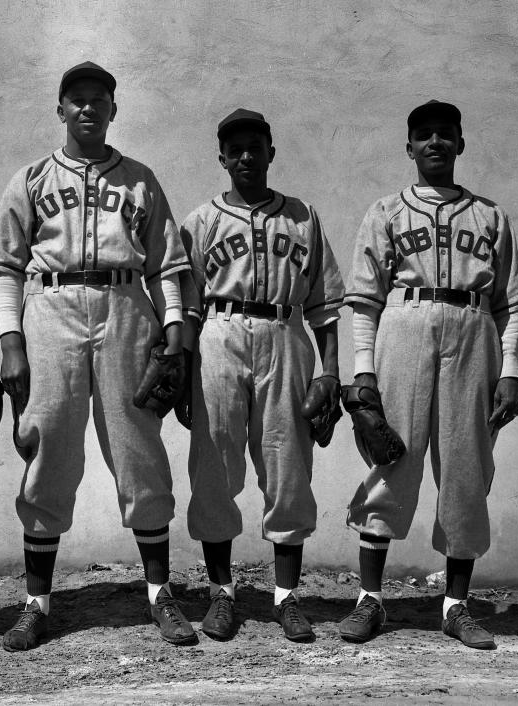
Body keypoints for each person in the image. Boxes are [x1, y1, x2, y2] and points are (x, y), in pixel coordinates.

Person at [0, 62, 194, 651]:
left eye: (97, 100)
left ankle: (159, 594)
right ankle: (36, 603)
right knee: (48, 442)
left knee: (138, 447)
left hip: (127, 303)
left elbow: (166, 262)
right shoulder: (29, 179)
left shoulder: (140, 179)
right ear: (60, 109)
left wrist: (174, 325)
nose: (86, 108)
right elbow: (4, 267)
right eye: (76, 99)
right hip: (50, 306)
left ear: (112, 110)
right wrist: (11, 341)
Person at [339, 100, 518, 649]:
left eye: (445, 134)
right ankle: (370, 601)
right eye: (423, 135)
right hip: (404, 324)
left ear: (460, 144)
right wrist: (364, 375)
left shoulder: (491, 216)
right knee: (391, 457)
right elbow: (365, 302)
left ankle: (455, 606)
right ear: (409, 147)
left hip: (473, 328)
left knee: (466, 468)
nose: (435, 143)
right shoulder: (385, 212)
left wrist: (511, 371)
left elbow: (509, 304)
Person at [178, 109, 345, 642]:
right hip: (218, 335)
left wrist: (332, 373)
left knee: (288, 465)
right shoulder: (200, 221)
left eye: (256, 146)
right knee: (214, 465)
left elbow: (324, 305)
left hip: (283, 332)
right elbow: (183, 307)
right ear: (221, 157)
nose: (246, 156)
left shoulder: (303, 217)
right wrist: (181, 372)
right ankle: (221, 594)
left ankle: (285, 596)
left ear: (271, 153)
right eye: (235, 148)